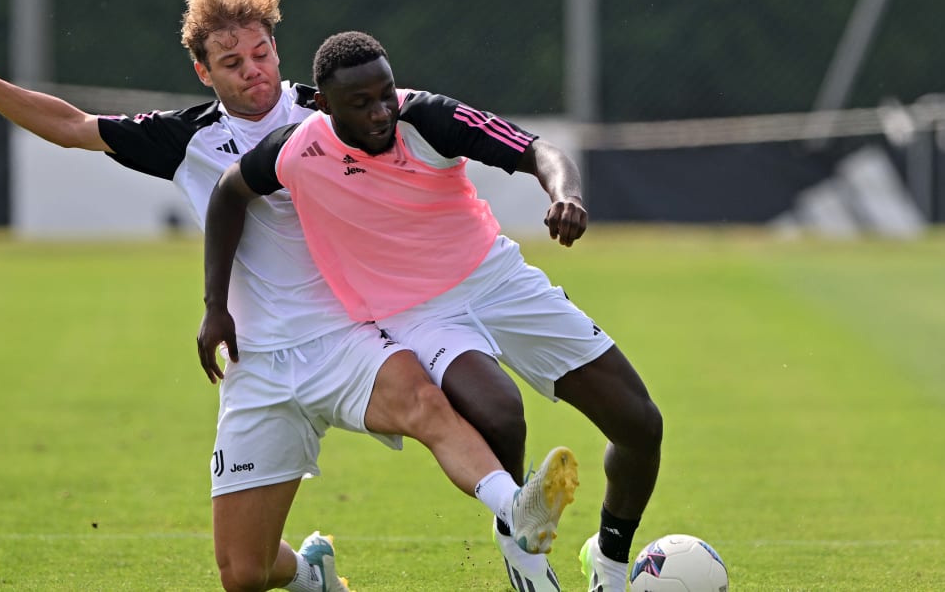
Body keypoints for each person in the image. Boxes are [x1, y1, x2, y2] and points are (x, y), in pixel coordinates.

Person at [0, 0, 577, 592]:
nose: (252, 72)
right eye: (231, 63)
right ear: (202, 70)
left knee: (427, 406)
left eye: (260, 55)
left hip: (347, 339)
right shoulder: (187, 137)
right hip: (255, 363)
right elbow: (73, 127)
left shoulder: (331, 111)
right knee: (243, 573)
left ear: (276, 49)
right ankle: (311, 574)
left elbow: (408, 137)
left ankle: (514, 511)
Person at [200, 30, 665, 592]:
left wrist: (565, 194)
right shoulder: (298, 148)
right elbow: (228, 193)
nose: (381, 112)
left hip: (500, 282)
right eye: (361, 103)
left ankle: (610, 566)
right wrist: (215, 307)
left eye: (386, 94)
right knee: (499, 411)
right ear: (324, 106)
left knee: (640, 424)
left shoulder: (428, 118)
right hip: (418, 314)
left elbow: (538, 150)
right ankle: (521, 539)